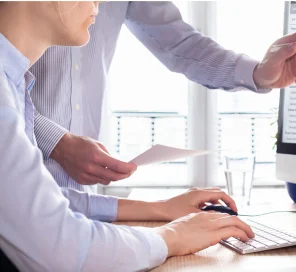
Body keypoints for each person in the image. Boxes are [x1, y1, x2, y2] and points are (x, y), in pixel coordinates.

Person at [0, 2, 259, 270]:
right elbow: (62, 248)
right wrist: (173, 236)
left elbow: (41, 203)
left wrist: (159, 208)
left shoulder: (13, 85)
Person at [30, 1, 296, 223]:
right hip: (19, 182)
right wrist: (55, 141)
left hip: (81, 202)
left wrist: (259, 73)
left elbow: (179, 43)